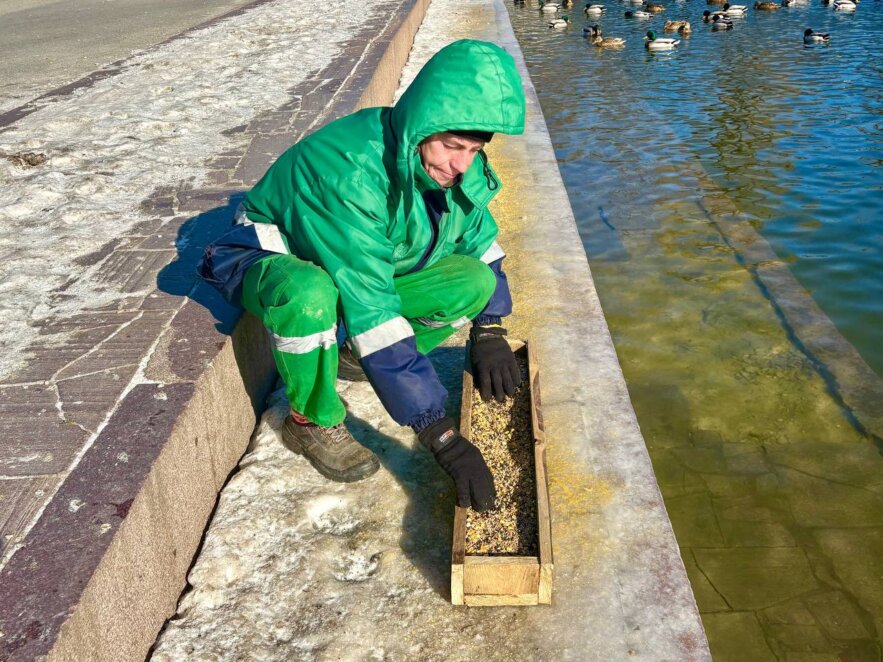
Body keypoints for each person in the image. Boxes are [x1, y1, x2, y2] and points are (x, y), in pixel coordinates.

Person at [199, 40, 526, 512]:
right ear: (422, 127)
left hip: (355, 267)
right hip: (276, 259)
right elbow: (372, 308)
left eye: (474, 150)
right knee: (310, 293)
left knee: (473, 282)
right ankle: (309, 420)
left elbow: (482, 244)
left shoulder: (449, 168)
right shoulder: (351, 173)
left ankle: (350, 354)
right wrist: (441, 433)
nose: (462, 165)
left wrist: (491, 328)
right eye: (453, 147)